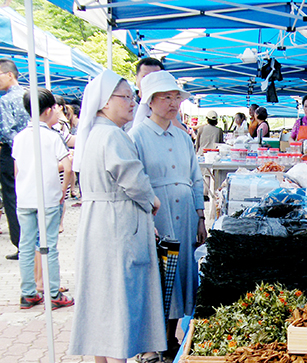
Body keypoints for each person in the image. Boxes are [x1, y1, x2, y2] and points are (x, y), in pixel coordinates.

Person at [69, 70, 166, 363]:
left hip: (99, 221)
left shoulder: (96, 134)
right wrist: (152, 200)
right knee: (120, 300)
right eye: (125, 97)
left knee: (102, 299)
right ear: (104, 102)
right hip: (117, 224)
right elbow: (133, 179)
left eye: (132, 97)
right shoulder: (113, 135)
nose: (132, 103)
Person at [128, 70, 207, 360]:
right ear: (150, 101)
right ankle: (155, 342)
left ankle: (173, 338)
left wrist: (200, 217)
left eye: (176, 97)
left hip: (185, 214)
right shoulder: (136, 136)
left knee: (181, 274)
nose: (173, 103)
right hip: (158, 216)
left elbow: (196, 176)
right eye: (166, 98)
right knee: (160, 279)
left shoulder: (183, 136)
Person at [13, 88, 74, 310]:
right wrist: (62, 191)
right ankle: (53, 292)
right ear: (48, 110)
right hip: (48, 198)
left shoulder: (19, 138)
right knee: (48, 246)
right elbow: (67, 167)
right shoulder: (51, 136)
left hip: (25, 198)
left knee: (26, 245)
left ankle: (27, 293)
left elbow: (16, 169)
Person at [0, 59, 26, 260]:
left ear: (9, 75)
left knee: (11, 198)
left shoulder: (4, 100)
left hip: (11, 154)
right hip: (33, 153)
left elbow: (6, 131)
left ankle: (20, 243)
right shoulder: (30, 94)